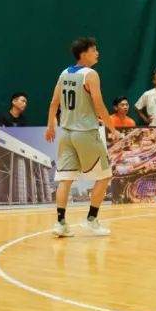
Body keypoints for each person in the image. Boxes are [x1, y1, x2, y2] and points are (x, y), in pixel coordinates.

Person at [45, 37, 119, 238]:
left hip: (66, 133)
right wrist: (112, 128)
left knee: (65, 179)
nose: (97, 53)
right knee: (104, 176)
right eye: (94, 50)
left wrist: (50, 126)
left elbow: (53, 103)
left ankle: (60, 223)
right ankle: (91, 219)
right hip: (85, 133)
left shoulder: (64, 73)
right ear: (83, 54)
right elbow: (99, 104)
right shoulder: (90, 74)